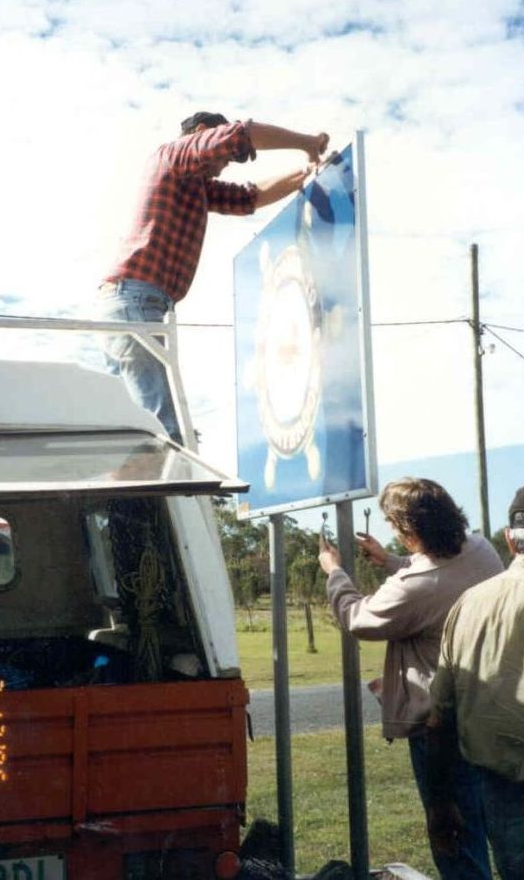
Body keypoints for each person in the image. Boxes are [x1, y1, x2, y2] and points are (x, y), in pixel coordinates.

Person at [97, 112, 329, 441]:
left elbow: (250, 196)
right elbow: (241, 134)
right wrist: (306, 144)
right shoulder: (174, 155)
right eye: (225, 159)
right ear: (202, 133)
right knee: (165, 433)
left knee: (136, 432)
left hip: (131, 305)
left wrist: (305, 174)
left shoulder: (192, 185)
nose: (223, 166)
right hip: (135, 302)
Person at [318, 477, 502, 880]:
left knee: (454, 839)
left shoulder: (413, 587)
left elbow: (357, 618)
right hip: (491, 714)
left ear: (411, 530)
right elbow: (441, 575)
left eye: (394, 524)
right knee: (488, 828)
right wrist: (390, 560)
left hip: (440, 729)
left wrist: (334, 572)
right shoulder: (481, 551)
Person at [426, 481, 524, 880]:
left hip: (495, 798)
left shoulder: (467, 604)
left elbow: (438, 719)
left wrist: (440, 804)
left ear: (511, 542)